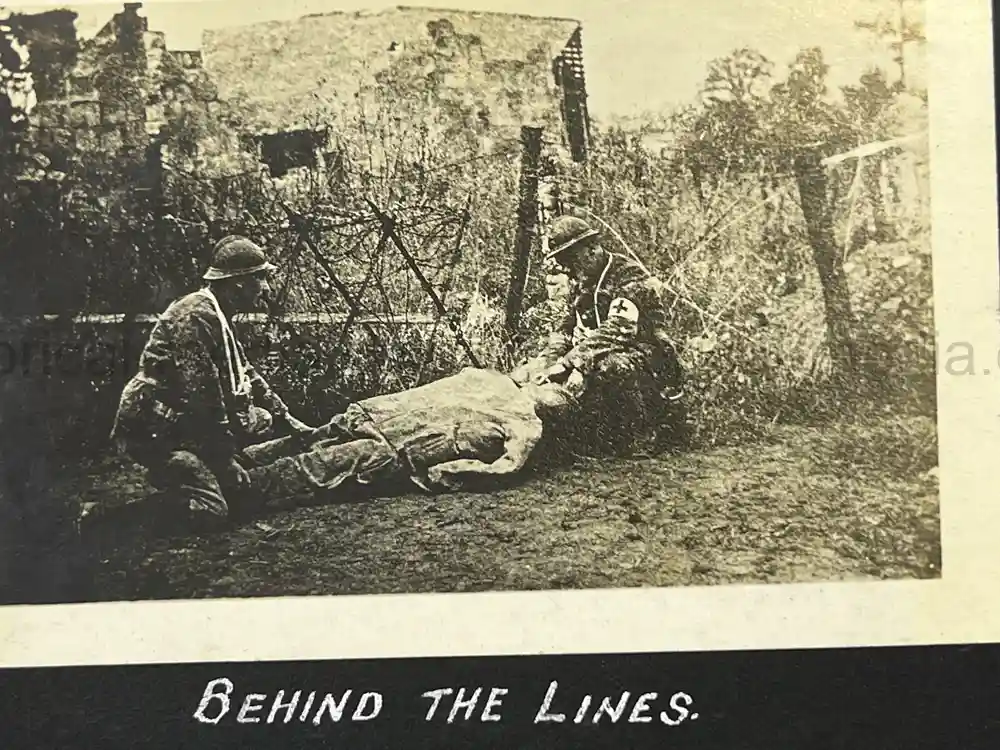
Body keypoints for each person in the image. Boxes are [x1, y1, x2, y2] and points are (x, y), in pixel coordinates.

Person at [105, 235, 316, 530]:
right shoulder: (195, 316)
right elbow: (203, 395)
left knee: (263, 420)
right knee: (212, 511)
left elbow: (247, 371)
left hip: (179, 421)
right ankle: (109, 519)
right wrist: (224, 460)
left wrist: (287, 418)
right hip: (154, 428)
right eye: (260, 279)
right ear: (239, 282)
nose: (265, 289)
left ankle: (199, 467)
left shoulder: (217, 312)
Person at [237, 367, 582, 513]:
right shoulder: (508, 390)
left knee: (317, 456)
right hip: (385, 425)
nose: (552, 389)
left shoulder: (522, 420)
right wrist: (444, 474)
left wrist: (446, 472)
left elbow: (504, 467)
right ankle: (239, 469)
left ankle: (238, 479)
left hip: (390, 437)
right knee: (314, 448)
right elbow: (502, 468)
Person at [530, 214, 688, 453]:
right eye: (564, 261)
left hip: (648, 358)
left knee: (609, 365)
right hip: (595, 353)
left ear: (591, 249)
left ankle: (645, 433)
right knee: (543, 376)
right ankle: (601, 434)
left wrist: (568, 362)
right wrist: (547, 362)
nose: (567, 268)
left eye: (571, 259)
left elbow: (619, 329)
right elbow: (565, 327)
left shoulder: (629, 276)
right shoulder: (582, 280)